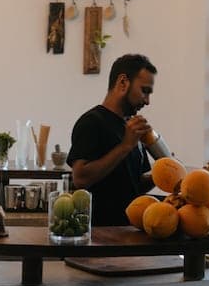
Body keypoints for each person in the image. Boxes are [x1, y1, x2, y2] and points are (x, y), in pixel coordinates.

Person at [67, 52, 158, 225]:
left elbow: (134, 185)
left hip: (130, 231)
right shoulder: (91, 122)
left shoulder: (131, 127)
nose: (147, 101)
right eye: (144, 91)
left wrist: (162, 173)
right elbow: (80, 179)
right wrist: (125, 146)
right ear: (123, 82)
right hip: (100, 235)